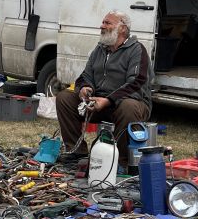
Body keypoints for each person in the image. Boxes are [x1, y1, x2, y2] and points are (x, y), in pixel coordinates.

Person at [56, 10, 153, 165]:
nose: (102, 26)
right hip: (99, 103)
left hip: (130, 103)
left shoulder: (137, 50)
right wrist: (85, 88)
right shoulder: (100, 49)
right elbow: (85, 76)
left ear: (122, 28)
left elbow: (137, 82)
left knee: (128, 106)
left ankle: (120, 161)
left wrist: (108, 100)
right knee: (64, 98)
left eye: (107, 23)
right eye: (102, 22)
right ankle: (76, 151)